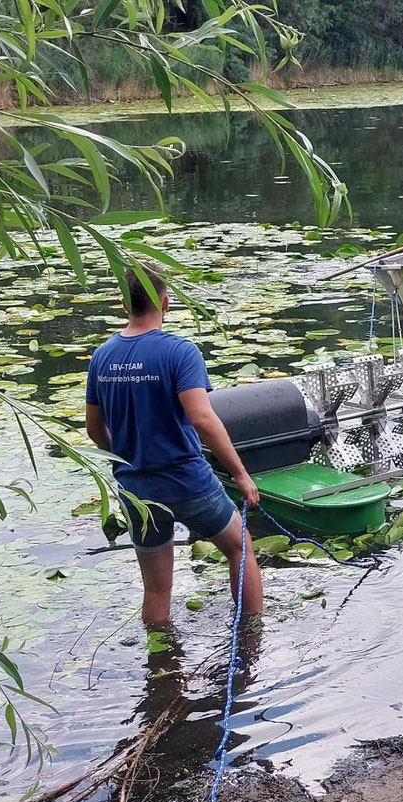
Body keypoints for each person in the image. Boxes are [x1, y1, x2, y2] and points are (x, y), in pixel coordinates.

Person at [85, 263, 264, 629]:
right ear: (166, 304)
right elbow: (202, 418)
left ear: (124, 304)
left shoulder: (101, 356)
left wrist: (127, 457)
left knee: (155, 590)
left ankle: (162, 668)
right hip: (186, 481)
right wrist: (240, 474)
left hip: (136, 488)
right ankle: (251, 640)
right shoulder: (180, 352)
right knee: (240, 547)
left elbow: (94, 431)